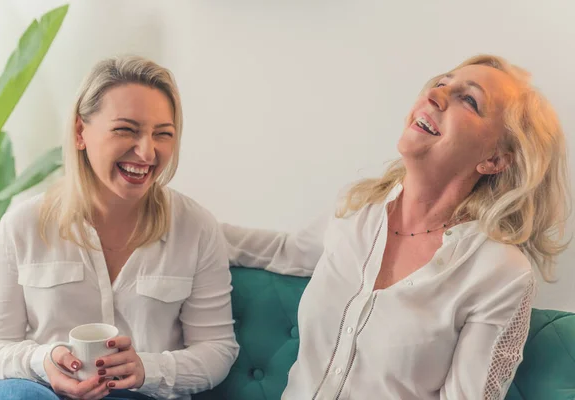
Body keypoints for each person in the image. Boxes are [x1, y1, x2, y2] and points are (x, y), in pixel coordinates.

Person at [222, 54, 570, 399]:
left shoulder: (499, 273)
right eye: (440, 83)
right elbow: (284, 251)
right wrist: (179, 223)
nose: (434, 95)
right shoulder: (358, 210)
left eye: (468, 99)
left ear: (494, 159)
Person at [0, 56, 238, 400]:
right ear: (80, 132)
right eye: (126, 129)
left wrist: (147, 369)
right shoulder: (21, 227)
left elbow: (217, 349)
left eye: (163, 134)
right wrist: (44, 361)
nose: (147, 151)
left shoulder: (196, 229)